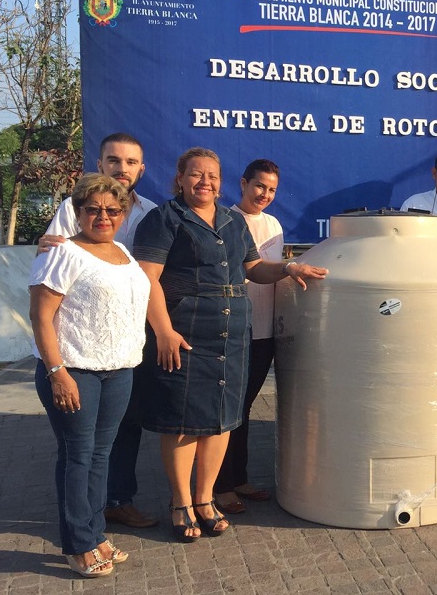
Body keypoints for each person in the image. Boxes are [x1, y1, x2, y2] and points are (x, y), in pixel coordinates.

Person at [133, 147, 328, 542]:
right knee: (184, 420)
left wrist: (290, 267)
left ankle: (206, 499)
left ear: (221, 183)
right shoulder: (164, 219)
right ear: (180, 177)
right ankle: (181, 502)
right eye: (196, 175)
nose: (205, 182)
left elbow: (254, 269)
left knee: (221, 418)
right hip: (185, 331)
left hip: (232, 331)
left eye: (211, 176)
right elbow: (147, 279)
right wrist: (164, 331)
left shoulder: (232, 222)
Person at [29, 174, 151, 577]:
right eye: (93, 209)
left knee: (101, 455)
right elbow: (41, 316)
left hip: (118, 370)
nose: (103, 216)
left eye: (112, 210)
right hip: (74, 370)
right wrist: (57, 372)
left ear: (122, 214)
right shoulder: (63, 252)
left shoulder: (121, 251)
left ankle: (96, 534)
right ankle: (78, 544)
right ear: (77, 212)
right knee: (78, 456)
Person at [40, 133, 160, 529]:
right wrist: (57, 369)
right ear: (100, 162)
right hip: (80, 354)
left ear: (141, 169)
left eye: (130, 162)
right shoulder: (71, 209)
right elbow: (52, 260)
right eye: (114, 160)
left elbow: (152, 278)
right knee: (80, 448)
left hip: (125, 349)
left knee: (122, 432)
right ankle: (81, 531)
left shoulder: (151, 214)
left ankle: (117, 500)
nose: (121, 168)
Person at [214, 159, 284, 515]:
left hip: (266, 330)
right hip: (235, 329)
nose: (265, 195)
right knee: (231, 407)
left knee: (245, 406)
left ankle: (237, 478)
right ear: (243, 184)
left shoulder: (272, 224)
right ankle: (220, 485)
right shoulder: (224, 220)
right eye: (259, 186)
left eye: (271, 189)